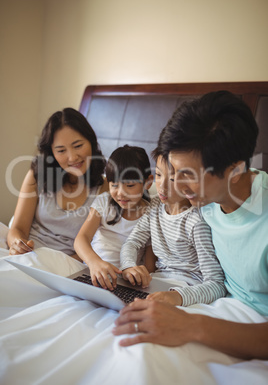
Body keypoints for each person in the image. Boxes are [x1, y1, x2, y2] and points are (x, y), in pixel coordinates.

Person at [113, 91, 268, 360]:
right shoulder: (203, 200)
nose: (176, 187)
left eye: (187, 176)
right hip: (218, 308)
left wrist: (192, 326)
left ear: (235, 171)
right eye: (172, 172)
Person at [120, 147, 226, 307]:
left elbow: (216, 284)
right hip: (155, 284)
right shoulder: (154, 206)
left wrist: (177, 297)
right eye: (158, 175)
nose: (162, 186)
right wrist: (129, 266)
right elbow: (132, 243)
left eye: (172, 179)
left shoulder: (196, 222)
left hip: (187, 291)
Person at [7, 108, 108, 257]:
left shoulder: (105, 188)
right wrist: (18, 245)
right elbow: (18, 228)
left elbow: (96, 247)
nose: (72, 157)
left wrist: (58, 268)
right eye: (61, 150)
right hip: (28, 256)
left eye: (78, 146)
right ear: (52, 154)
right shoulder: (37, 175)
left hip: (67, 264)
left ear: (91, 142)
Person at [74, 145, 154, 290]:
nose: (120, 193)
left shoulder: (151, 215)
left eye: (130, 185)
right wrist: (95, 263)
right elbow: (81, 239)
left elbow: (150, 266)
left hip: (124, 283)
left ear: (148, 182)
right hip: (92, 272)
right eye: (114, 185)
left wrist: (138, 275)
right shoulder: (103, 201)